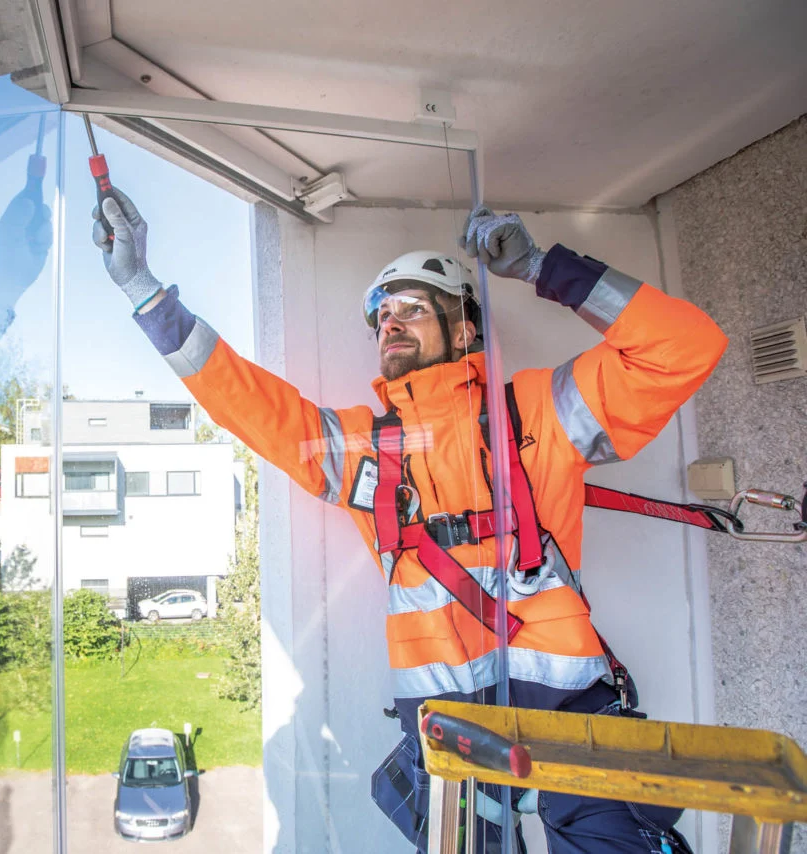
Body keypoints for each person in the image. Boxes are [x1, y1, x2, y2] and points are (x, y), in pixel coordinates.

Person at [91, 187, 727, 853]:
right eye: (382, 314)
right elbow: (248, 404)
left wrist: (541, 268)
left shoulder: (539, 410)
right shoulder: (365, 448)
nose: (389, 323)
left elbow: (685, 346)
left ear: (465, 330)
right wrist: (142, 288)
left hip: (570, 715)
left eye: (413, 309)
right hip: (446, 737)